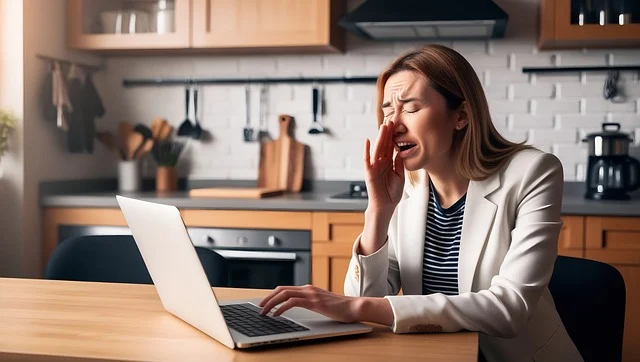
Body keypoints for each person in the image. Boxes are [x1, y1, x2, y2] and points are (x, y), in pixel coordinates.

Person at [259, 44, 582, 362]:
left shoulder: (532, 171)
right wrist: (379, 211)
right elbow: (363, 299)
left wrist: (353, 307)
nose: (393, 124)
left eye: (411, 109)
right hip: (435, 352)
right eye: (387, 110)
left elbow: (508, 310)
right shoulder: (407, 186)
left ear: (462, 115)